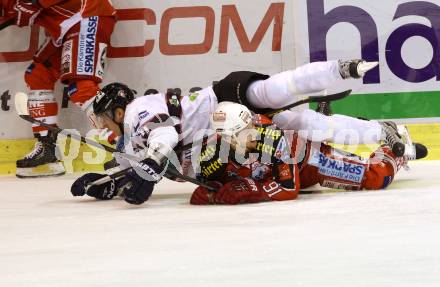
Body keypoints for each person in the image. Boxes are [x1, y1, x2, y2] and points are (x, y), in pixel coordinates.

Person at [70, 59, 406, 205]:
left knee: (284, 94)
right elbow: (143, 162)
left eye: (101, 118)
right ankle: (380, 129)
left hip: (228, 101)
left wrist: (149, 171)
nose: (101, 127)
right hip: (228, 133)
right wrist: (112, 180)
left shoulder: (135, 115)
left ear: (116, 110)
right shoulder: (136, 135)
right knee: (305, 124)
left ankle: (340, 70)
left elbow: (162, 140)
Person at [189, 102, 428, 205]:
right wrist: (215, 196)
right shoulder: (213, 151)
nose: (254, 131)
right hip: (284, 171)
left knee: (376, 178)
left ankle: (393, 144)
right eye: (245, 131)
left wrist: (256, 189)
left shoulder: (271, 136)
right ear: (228, 138)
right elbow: (200, 192)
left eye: (252, 124)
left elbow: (289, 188)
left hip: (310, 162)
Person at [0, 0, 116, 178]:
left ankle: (129, 144)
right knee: (38, 75)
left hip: (88, 13)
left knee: (81, 87)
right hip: (65, 26)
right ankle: (48, 150)